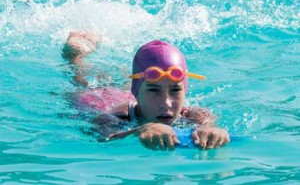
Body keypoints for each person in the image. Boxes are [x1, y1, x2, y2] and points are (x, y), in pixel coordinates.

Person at [62, 32, 230, 150]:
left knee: (127, 82)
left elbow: (209, 123)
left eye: (175, 90)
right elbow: (103, 137)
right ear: (137, 92)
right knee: (82, 81)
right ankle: (74, 57)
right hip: (98, 99)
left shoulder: (193, 115)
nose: (166, 103)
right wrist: (142, 129)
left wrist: (213, 129)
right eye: (154, 91)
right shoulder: (111, 117)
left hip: (132, 92)